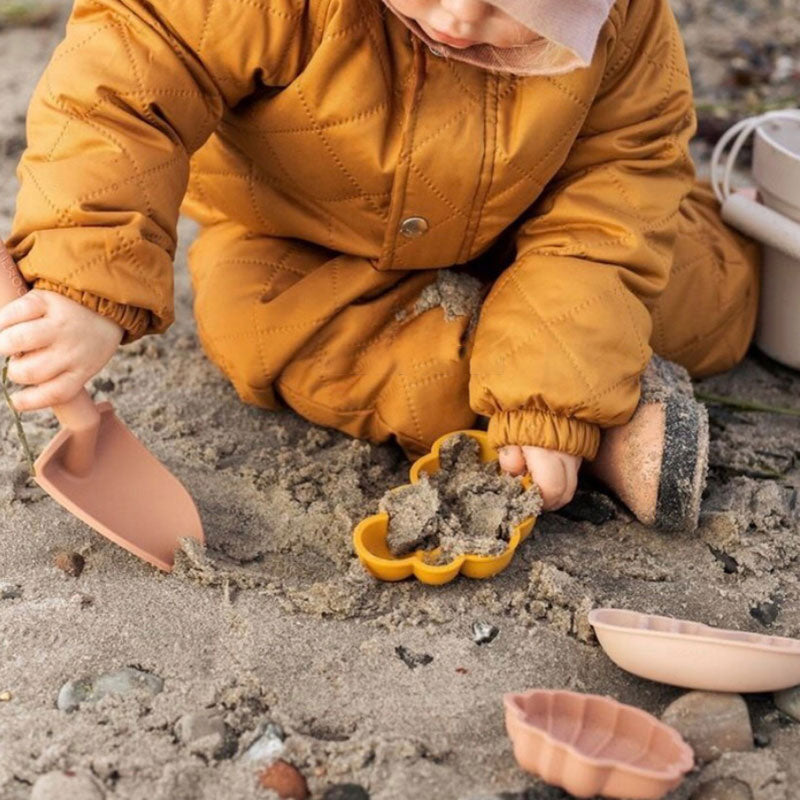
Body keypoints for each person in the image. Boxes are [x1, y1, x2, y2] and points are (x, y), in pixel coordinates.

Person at [0, 0, 759, 531]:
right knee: (258, 324)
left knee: (707, 290)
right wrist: (84, 283)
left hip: (534, 226)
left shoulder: (623, 30)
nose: (460, 16)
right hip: (309, 236)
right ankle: (588, 419)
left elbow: (616, 197)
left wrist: (555, 381)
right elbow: (125, 84)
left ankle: (570, 385)